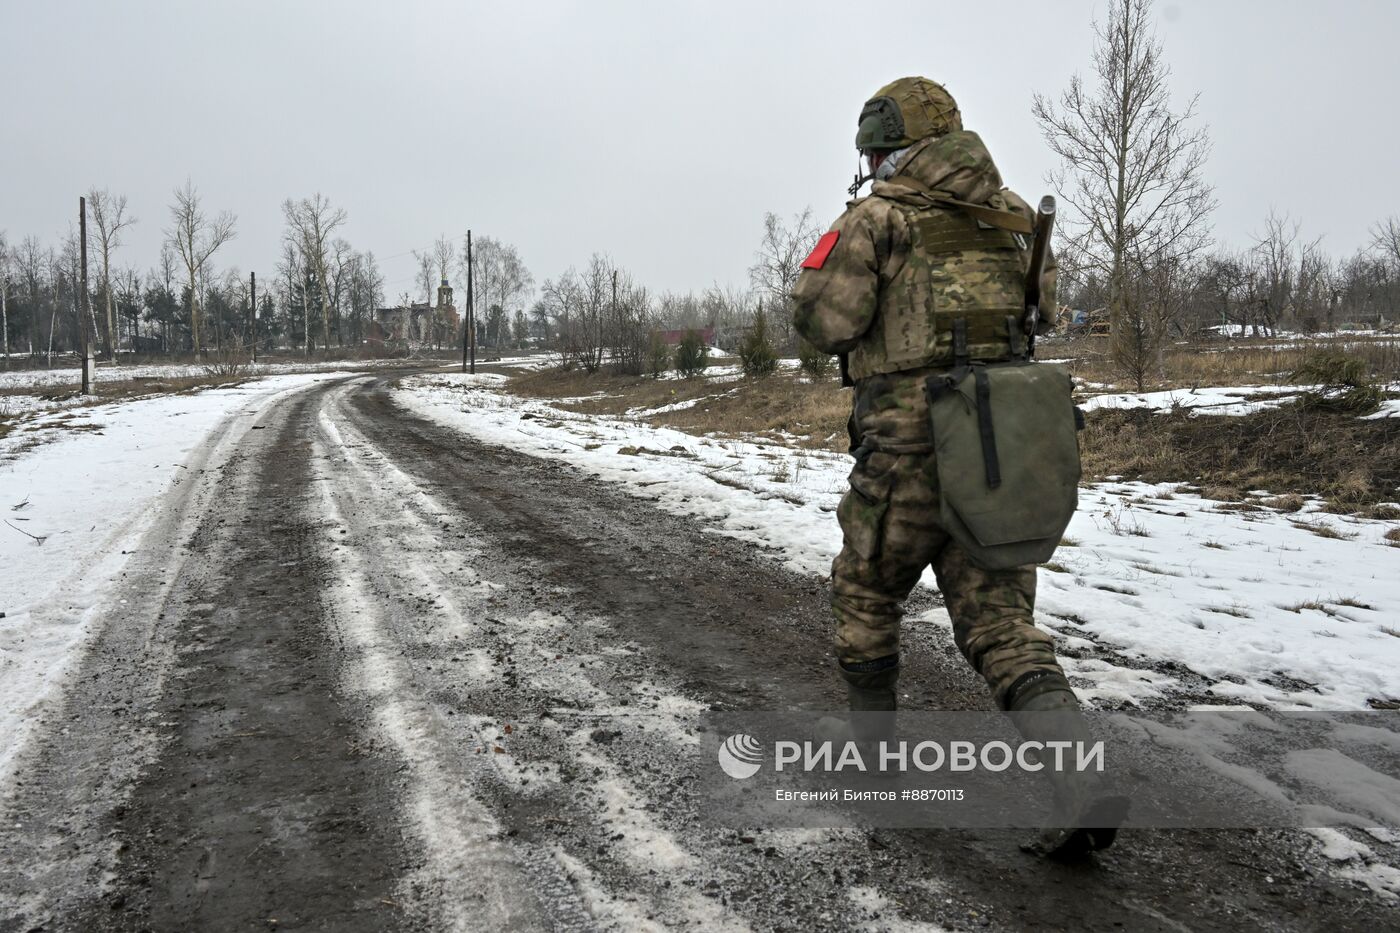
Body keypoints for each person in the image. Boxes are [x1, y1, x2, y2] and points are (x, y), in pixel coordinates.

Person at [792, 76, 1122, 855]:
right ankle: (1081, 779)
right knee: (1001, 624)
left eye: (874, 152)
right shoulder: (1014, 219)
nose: (872, 165)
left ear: (889, 148)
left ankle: (874, 775)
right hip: (994, 451)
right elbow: (1042, 311)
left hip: (904, 451)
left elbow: (823, 321)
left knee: (866, 591)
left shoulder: (877, 219)